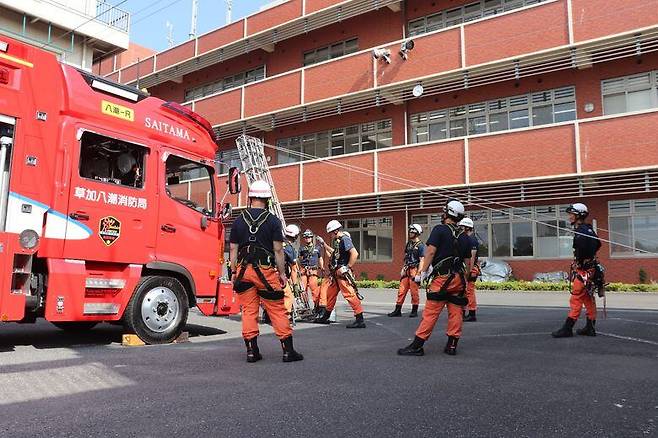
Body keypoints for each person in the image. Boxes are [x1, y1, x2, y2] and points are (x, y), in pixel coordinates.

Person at [229, 180, 303, 363]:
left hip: (243, 272)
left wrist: (232, 272)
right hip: (265, 270)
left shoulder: (239, 220)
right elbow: (278, 250)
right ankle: (288, 351)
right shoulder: (273, 221)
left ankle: (252, 352)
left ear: (250, 197)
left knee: (248, 310)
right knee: (277, 309)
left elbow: (233, 250)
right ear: (267, 199)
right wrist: (283, 274)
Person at [398, 200, 470, 356]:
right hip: (459, 279)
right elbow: (467, 261)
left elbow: (430, 252)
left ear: (448, 213)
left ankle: (417, 345)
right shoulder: (464, 236)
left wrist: (422, 272)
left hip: (442, 278)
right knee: (456, 312)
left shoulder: (440, 230)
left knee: (431, 312)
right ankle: (452, 345)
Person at [552, 203, 602, 338]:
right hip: (592, 270)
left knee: (576, 297)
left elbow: (581, 249)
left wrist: (579, 261)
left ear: (579, 215)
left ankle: (568, 328)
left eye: (571, 214)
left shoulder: (580, 232)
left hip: (583, 271)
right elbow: (598, 244)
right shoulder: (590, 229)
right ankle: (590, 327)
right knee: (588, 298)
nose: (569, 217)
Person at [314, 220, 365, 328]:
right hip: (335, 274)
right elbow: (334, 253)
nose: (331, 235)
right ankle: (325, 317)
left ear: (336, 231)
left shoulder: (344, 239)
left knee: (350, 295)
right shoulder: (338, 241)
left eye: (331, 233)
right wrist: (324, 244)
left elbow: (355, 253)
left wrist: (347, 267)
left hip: (342, 273)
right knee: (330, 295)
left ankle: (360, 319)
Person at [388, 224, 426, 318]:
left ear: (417, 233)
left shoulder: (421, 246)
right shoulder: (409, 244)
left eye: (412, 231)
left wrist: (419, 273)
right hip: (407, 269)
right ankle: (397, 310)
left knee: (414, 292)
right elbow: (406, 257)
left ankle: (414, 310)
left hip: (414, 270)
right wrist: (403, 268)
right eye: (410, 231)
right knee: (401, 290)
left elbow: (422, 260)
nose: (410, 233)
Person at [458, 218, 480, 322]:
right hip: (467, 268)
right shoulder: (467, 238)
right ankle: (464, 311)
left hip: (471, 268)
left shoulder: (472, 239)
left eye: (462, 227)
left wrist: (469, 271)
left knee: (469, 291)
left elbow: (472, 256)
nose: (461, 229)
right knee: (464, 291)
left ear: (467, 227)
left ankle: (472, 313)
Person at [299, 229, 324, 315]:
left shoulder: (317, 248)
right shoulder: (302, 248)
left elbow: (320, 258)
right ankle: (305, 307)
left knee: (314, 290)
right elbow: (300, 259)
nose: (307, 238)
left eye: (309, 237)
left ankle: (316, 307)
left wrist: (322, 267)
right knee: (303, 289)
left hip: (313, 270)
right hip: (304, 270)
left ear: (311, 238)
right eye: (306, 237)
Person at [282, 224, 301, 317]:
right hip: (280, 277)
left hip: (266, 274)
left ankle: (268, 314)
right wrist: (295, 284)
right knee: (288, 295)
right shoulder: (289, 248)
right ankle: (285, 316)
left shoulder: (275, 242)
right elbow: (293, 269)